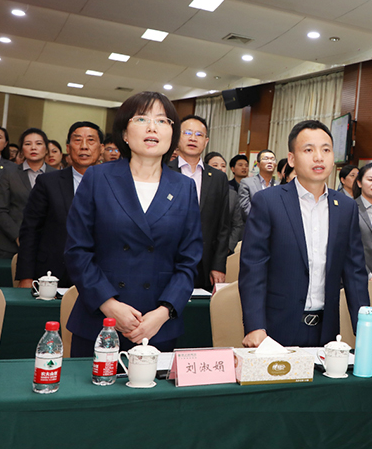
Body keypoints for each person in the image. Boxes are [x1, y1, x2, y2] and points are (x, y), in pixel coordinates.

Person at [64, 91, 203, 356]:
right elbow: (77, 250)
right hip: (99, 321)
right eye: (141, 119)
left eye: (162, 121)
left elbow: (189, 261)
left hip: (158, 326)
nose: (152, 127)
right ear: (125, 133)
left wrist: (163, 312)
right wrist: (109, 305)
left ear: (172, 135)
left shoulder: (184, 187)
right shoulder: (98, 178)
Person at [239, 120, 369, 348]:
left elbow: (355, 273)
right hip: (275, 330)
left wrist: (366, 331)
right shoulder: (268, 202)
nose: (319, 157)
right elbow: (253, 268)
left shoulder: (346, 207)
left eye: (326, 150)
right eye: (309, 150)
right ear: (291, 159)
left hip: (326, 331)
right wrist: (255, 326)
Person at [16, 122, 104, 289]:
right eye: (77, 140)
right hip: (52, 273)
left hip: (101, 273)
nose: (84, 146)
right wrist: (26, 277)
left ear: (101, 148)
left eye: (91, 140)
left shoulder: (115, 184)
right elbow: (30, 230)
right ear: (68, 148)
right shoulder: (48, 182)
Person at [168, 115, 230, 291]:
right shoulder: (163, 171)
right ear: (177, 137)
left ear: (206, 141)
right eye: (187, 133)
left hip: (205, 263)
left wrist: (218, 265)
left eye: (199, 134)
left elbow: (223, 226)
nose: (193, 138)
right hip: (168, 260)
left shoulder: (218, 178)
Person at [0, 128, 50, 259]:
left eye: (38, 143)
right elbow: (0, 209)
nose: (33, 148)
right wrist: (18, 235)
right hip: (9, 243)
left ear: (46, 149)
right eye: (28, 144)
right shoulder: (9, 173)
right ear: (22, 149)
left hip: (45, 243)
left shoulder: (56, 175)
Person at [205, 152, 245, 253]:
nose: (220, 168)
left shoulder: (232, 194)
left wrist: (229, 247)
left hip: (223, 248)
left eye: (223, 166)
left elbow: (237, 224)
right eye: (215, 165)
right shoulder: (198, 189)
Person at [239, 149, 277, 219]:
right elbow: (245, 208)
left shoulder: (279, 185)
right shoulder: (247, 183)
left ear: (276, 165)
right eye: (266, 159)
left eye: (272, 159)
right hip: (254, 222)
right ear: (258, 164)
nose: (270, 162)